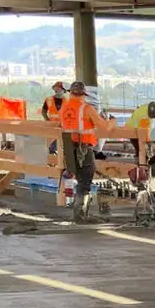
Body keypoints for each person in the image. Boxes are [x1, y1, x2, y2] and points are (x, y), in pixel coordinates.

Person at [58, 79, 111, 222]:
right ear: (83, 94)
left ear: (71, 93)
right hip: (84, 150)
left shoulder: (64, 108)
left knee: (77, 178)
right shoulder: (87, 109)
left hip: (69, 149)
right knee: (84, 183)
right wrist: (112, 121)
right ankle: (80, 216)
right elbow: (104, 127)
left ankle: (80, 213)